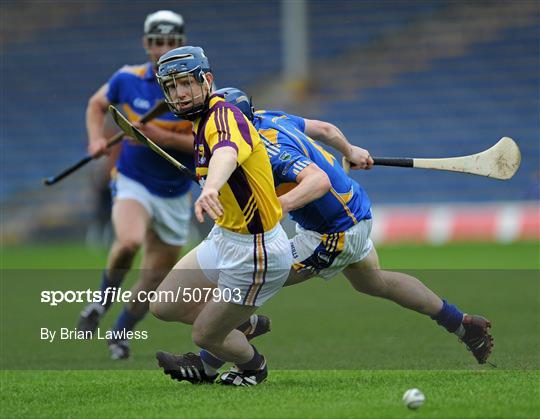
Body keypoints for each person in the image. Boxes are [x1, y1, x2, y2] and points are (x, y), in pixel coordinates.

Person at [216, 87, 494, 370]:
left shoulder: (266, 148)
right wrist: (350, 151)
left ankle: (213, 356)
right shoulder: (267, 117)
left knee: (254, 275)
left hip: (333, 232)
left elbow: (317, 181)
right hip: (353, 212)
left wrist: (277, 206)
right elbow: (324, 128)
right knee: (374, 283)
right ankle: (463, 324)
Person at [147, 46, 292, 387]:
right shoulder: (199, 121)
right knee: (163, 306)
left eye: (185, 83)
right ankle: (241, 327)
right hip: (224, 236)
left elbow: (226, 152)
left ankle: (253, 367)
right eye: (170, 87)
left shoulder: (223, 115)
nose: (179, 93)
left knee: (205, 336)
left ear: (206, 80)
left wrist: (211, 186)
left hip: (256, 252)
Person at [77, 10, 196, 360]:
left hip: (175, 192)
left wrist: (157, 136)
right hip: (134, 180)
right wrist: (96, 139)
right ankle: (99, 303)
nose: (163, 49)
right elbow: (96, 104)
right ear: (146, 44)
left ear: (182, 43)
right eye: (157, 42)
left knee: (153, 278)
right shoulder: (126, 79)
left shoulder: (200, 87)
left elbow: (203, 143)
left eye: (171, 42)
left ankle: (120, 333)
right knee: (128, 241)